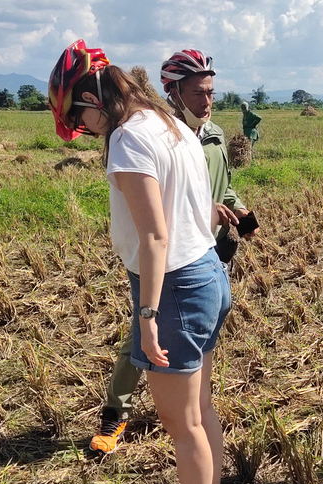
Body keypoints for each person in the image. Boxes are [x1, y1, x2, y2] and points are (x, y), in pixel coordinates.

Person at [49, 40, 231, 484]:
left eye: (80, 120)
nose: (86, 131)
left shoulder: (129, 138)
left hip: (173, 289)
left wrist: (147, 316)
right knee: (199, 412)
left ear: (91, 100)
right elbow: (197, 209)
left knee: (182, 423)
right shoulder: (166, 121)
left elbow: (154, 237)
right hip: (207, 274)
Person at [89, 49, 259, 461]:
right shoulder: (159, 131)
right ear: (174, 93)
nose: (207, 101)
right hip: (172, 255)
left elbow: (222, 185)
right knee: (143, 337)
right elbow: (159, 217)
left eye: (211, 93)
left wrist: (236, 211)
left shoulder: (213, 137)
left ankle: (195, 434)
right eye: (198, 94)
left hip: (205, 249)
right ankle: (117, 411)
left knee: (182, 364)